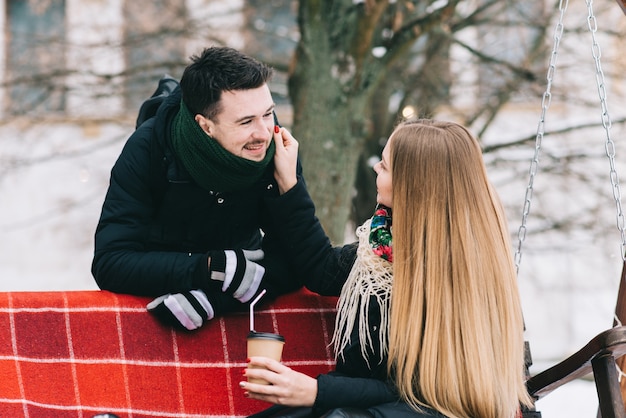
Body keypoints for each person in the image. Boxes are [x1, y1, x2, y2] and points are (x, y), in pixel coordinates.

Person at [243, 119, 534, 417]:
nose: (375, 169)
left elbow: (424, 390)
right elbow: (322, 269)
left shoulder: (459, 273)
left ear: (413, 187)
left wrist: (319, 391)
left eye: (384, 166)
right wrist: (290, 184)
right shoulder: (382, 246)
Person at [91, 46, 304, 329]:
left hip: (240, 299)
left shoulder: (276, 148)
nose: (264, 132)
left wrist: (214, 300)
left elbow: (299, 255)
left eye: (267, 114)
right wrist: (206, 269)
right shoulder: (148, 149)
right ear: (205, 126)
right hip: (153, 307)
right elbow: (110, 262)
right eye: (246, 121)